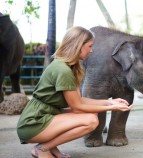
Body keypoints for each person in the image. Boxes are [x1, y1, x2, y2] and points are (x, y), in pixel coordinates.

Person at [16, 26, 133, 158]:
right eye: (89, 46)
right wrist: (113, 107)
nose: (91, 50)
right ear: (78, 45)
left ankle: (51, 148)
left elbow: (79, 100)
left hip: (46, 114)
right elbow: (77, 107)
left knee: (92, 112)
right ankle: (43, 148)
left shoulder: (69, 67)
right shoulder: (63, 70)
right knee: (91, 121)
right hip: (34, 121)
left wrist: (109, 102)